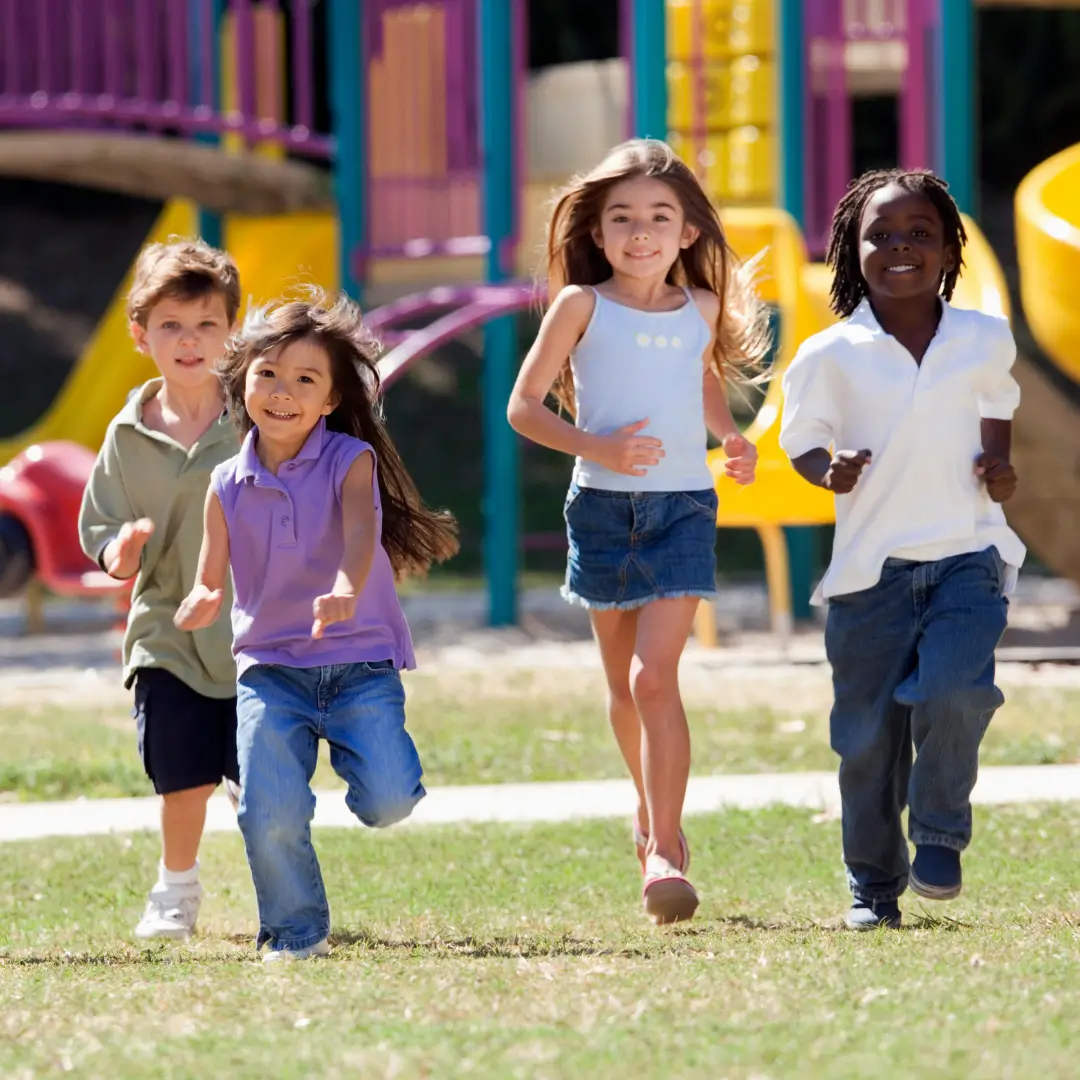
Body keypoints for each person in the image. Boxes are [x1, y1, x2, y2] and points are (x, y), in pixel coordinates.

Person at [507, 139, 770, 924]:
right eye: (621, 218)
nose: (641, 232)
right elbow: (523, 409)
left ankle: (664, 846)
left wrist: (729, 437)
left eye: (659, 217)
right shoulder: (579, 306)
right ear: (598, 231)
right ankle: (649, 812)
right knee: (622, 687)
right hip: (601, 511)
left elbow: (700, 380)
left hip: (684, 508)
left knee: (656, 678)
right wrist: (601, 447)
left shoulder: (702, 309)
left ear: (688, 232)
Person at [175, 290, 458, 961]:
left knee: (387, 801)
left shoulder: (347, 460)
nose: (282, 392)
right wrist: (201, 597)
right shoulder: (224, 481)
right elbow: (211, 570)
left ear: (331, 400)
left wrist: (344, 585)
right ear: (241, 379)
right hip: (271, 667)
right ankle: (296, 933)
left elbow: (362, 530)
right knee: (267, 811)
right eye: (267, 374)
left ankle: (384, 780)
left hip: (359, 660)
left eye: (306, 380)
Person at [779, 168, 1025, 929]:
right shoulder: (830, 353)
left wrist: (998, 466)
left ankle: (942, 834)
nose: (898, 247)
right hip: (869, 574)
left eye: (919, 233)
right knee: (867, 744)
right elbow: (802, 442)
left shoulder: (982, 337)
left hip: (968, 553)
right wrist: (832, 471)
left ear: (949, 246)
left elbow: (999, 406)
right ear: (852, 252)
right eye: (878, 235)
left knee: (956, 691)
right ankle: (873, 889)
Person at [79, 239, 243, 940]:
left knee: (266, 781)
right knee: (181, 775)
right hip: (165, 632)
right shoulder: (124, 434)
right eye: (172, 325)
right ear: (140, 334)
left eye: (207, 324)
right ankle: (175, 892)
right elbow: (104, 538)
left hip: (254, 628)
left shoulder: (260, 414)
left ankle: (284, 886)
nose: (190, 340)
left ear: (231, 332)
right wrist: (124, 547)